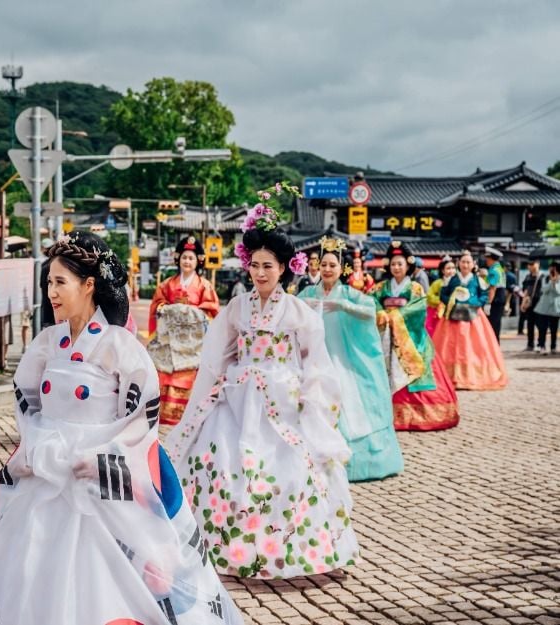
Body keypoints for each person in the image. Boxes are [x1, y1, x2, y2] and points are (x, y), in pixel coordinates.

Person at [0, 232, 242, 624]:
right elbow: (26, 399)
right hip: (48, 466)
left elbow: (142, 414)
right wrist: (35, 444)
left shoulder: (120, 345)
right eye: (49, 282)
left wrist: (102, 457)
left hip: (102, 471)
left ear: (89, 284)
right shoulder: (46, 343)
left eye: (60, 282)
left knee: (115, 574)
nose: (52, 292)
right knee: (31, 565)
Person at [166, 211, 359, 579]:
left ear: (284, 267)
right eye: (254, 265)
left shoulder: (299, 312)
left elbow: (315, 364)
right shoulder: (237, 307)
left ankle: (287, 547)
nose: (259, 273)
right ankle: (222, 545)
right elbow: (217, 357)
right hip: (238, 397)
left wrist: (311, 403)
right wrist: (213, 392)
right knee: (220, 463)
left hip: (282, 398)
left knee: (288, 471)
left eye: (268, 266)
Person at [298, 238, 404, 482]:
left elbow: (370, 311)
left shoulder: (348, 294)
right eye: (323, 264)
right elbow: (292, 308)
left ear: (341, 269)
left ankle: (352, 461)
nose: (326, 269)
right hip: (315, 359)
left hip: (342, 358)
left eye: (332, 265)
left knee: (350, 405)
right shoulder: (308, 292)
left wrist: (343, 305)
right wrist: (305, 304)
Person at [372, 241, 459, 431]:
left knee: (416, 371)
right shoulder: (380, 287)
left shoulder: (415, 288)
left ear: (408, 265)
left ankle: (415, 414)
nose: (396, 268)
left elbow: (419, 307)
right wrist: (379, 312)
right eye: (393, 264)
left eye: (400, 264)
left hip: (409, 336)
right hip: (385, 333)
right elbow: (372, 301)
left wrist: (397, 315)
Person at [147, 237, 220, 425]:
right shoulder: (166, 285)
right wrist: (167, 309)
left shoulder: (205, 286)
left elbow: (211, 312)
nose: (187, 261)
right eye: (185, 257)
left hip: (193, 345)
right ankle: (162, 416)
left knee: (190, 376)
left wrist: (190, 313)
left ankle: (187, 416)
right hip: (169, 343)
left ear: (198, 262)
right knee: (164, 375)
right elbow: (157, 305)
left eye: (191, 258)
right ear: (178, 259)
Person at [433, 251, 508, 390]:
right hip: (453, 315)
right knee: (451, 344)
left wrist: (475, 303)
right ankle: (450, 375)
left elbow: (484, 294)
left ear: (473, 264)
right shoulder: (451, 279)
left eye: (468, 262)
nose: (465, 265)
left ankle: (472, 375)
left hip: (473, 316)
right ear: (458, 264)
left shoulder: (478, 280)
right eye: (463, 262)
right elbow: (443, 294)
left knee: (473, 344)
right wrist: (452, 302)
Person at [533, 261, 560, 355]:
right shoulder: (545, 278)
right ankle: (541, 346)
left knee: (554, 329)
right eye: (550, 268)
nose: (551, 270)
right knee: (542, 328)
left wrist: (555, 282)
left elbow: (558, 292)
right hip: (544, 308)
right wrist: (551, 281)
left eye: (553, 269)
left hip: (555, 309)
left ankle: (553, 346)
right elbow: (543, 290)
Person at [425, 256, 455, 337]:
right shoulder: (438, 283)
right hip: (438, 312)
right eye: (448, 268)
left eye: (453, 268)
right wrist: (441, 300)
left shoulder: (457, 282)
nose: (451, 271)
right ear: (443, 270)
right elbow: (429, 296)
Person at [521, 260, 545, 351]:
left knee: (540, 324)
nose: (529, 266)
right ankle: (530, 344)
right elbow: (525, 290)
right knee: (530, 324)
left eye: (532, 264)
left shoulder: (542, 276)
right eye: (528, 265)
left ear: (537, 264)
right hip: (529, 302)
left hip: (539, 302)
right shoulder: (527, 277)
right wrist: (523, 302)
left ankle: (540, 343)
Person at [484, 247, 507, 342]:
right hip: (499, 298)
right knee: (496, 324)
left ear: (491, 259)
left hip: (495, 299)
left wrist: (488, 303)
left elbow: (492, 288)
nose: (486, 261)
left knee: (493, 325)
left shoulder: (494, 271)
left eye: (487, 258)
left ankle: (495, 346)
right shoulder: (498, 268)